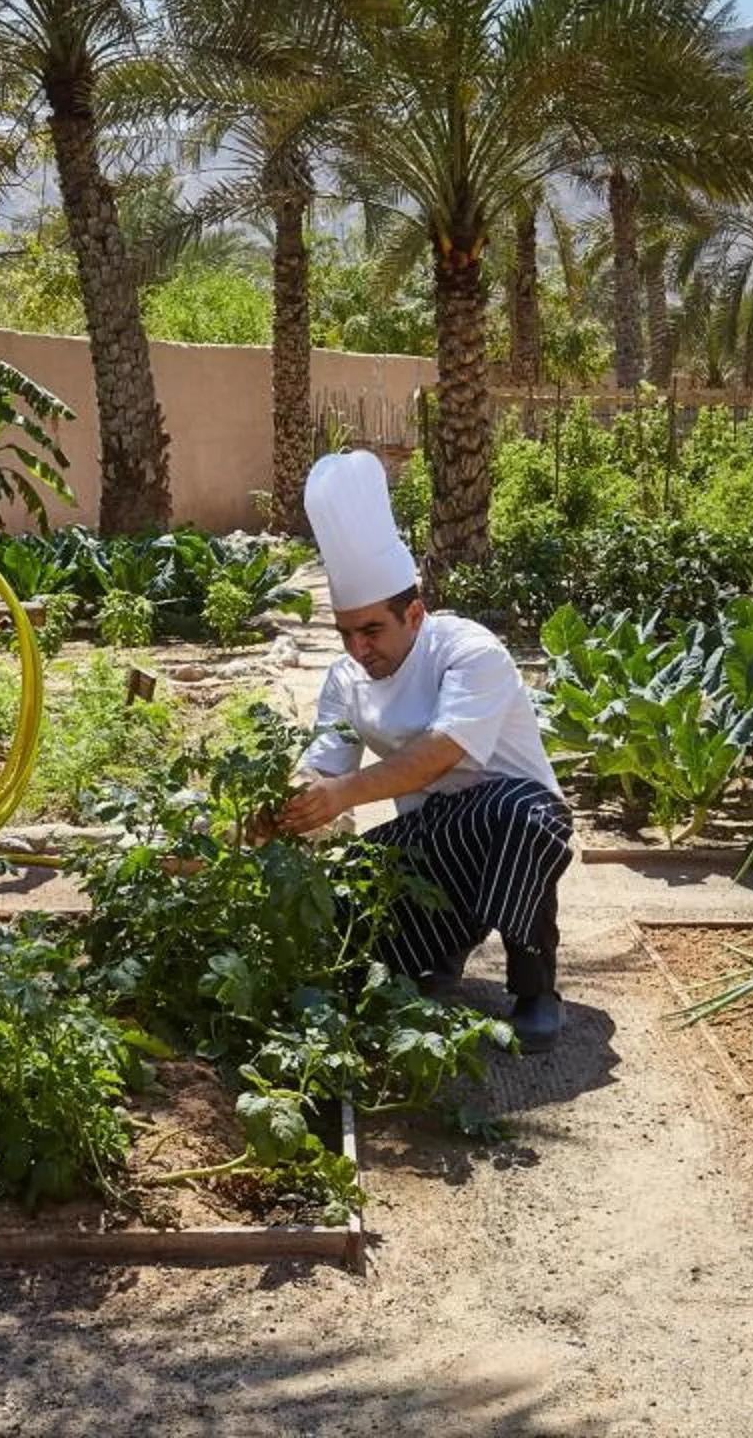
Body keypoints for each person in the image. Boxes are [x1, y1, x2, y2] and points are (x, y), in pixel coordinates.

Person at [270, 450, 574, 1053]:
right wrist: (286, 808)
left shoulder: (468, 650)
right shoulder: (345, 679)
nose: (359, 647)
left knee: (509, 815)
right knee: (348, 912)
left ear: (413, 613)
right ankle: (441, 950)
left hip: (522, 818)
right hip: (433, 833)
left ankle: (536, 986)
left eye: (372, 630)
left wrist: (344, 794)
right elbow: (323, 768)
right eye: (346, 633)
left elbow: (443, 750)